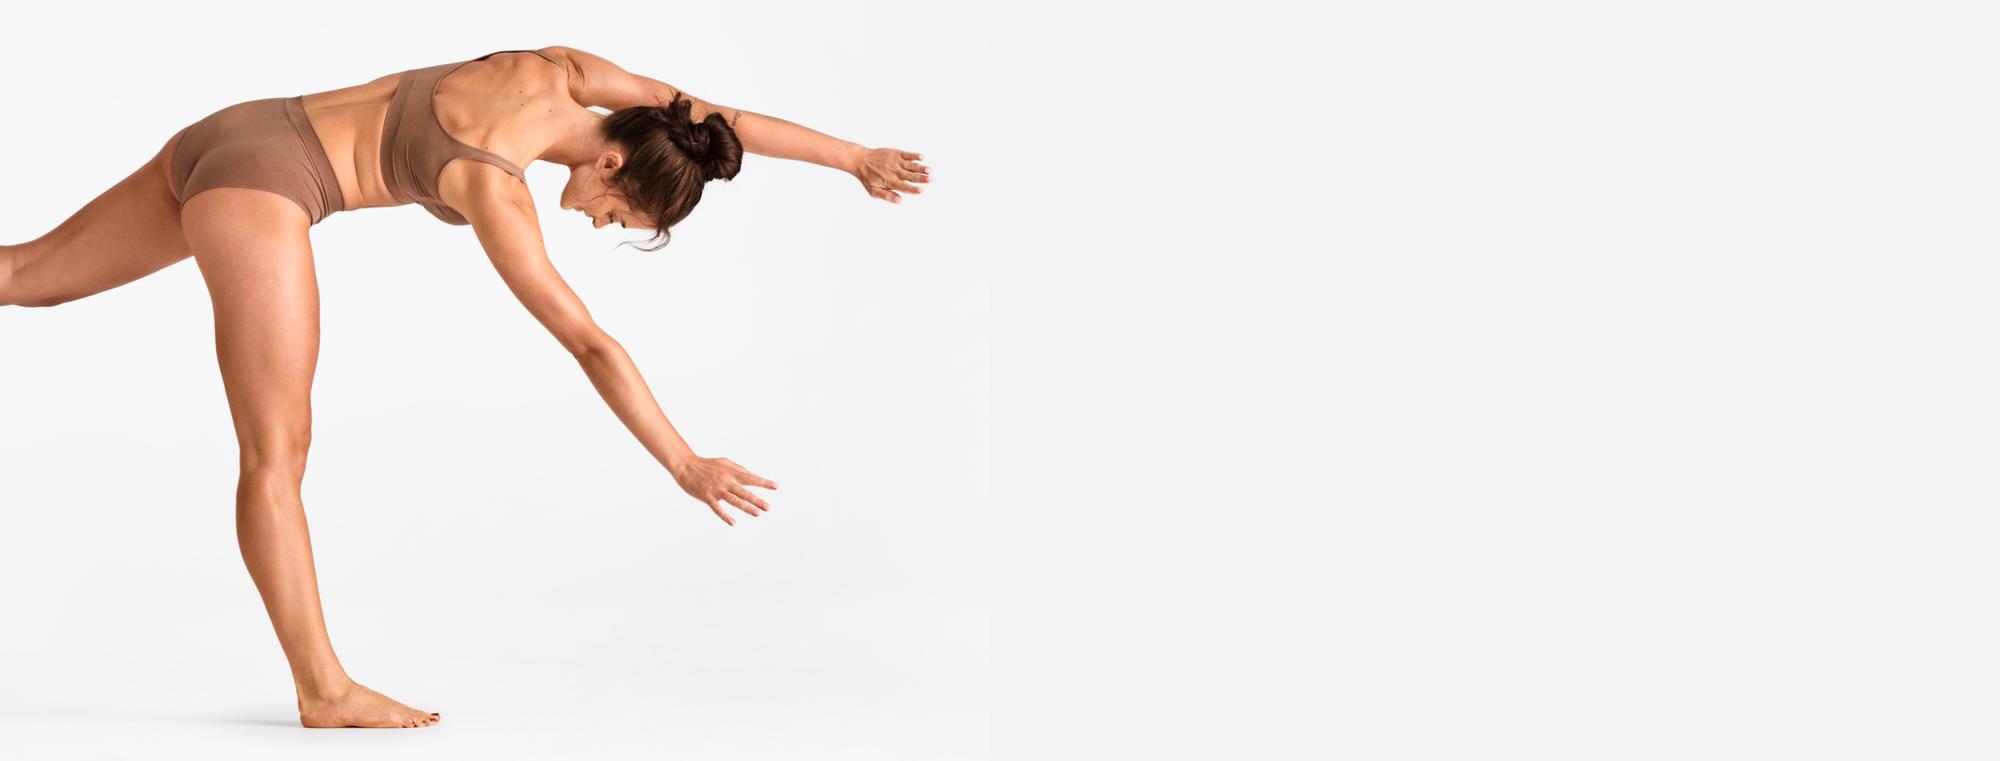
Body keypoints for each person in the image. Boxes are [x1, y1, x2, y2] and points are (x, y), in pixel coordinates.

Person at [0, 46, 930, 729]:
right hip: (268, 184)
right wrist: (684, 463)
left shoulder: (564, 71)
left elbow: (714, 118)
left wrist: (854, 158)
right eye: (621, 212)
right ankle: (324, 690)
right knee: (276, 452)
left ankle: (324, 686)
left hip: (234, 130)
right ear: (610, 164)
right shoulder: (493, 185)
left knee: (28, 274)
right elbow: (590, 344)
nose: (604, 223)